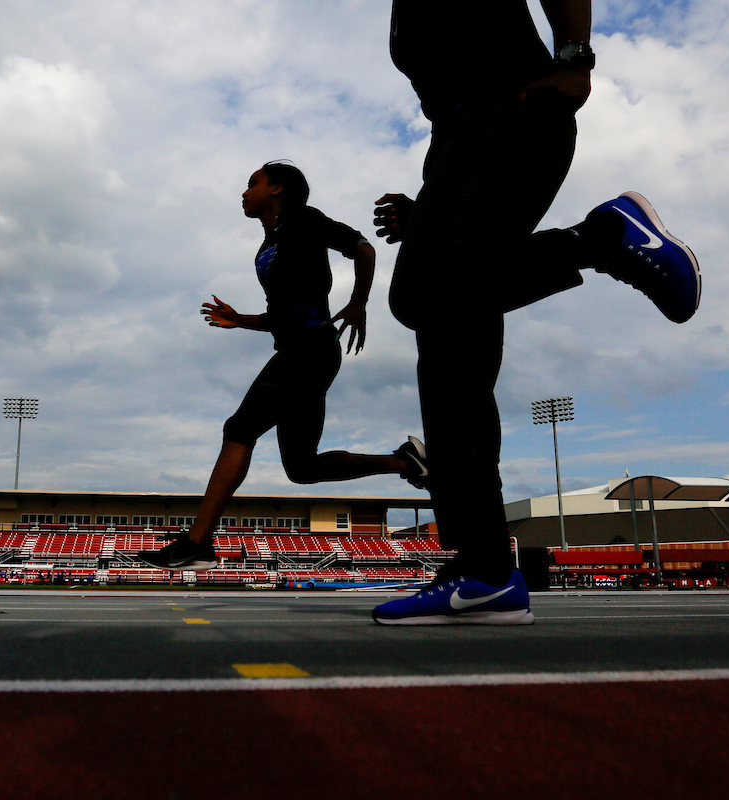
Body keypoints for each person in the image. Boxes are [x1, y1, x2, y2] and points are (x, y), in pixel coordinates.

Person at [370, 0, 700, 624]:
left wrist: (574, 55)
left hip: (509, 112)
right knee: (442, 321)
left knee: (431, 302)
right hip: (463, 139)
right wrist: (436, 214)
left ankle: (601, 239)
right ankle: (486, 568)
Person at [140, 161, 429, 571]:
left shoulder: (305, 220)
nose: (244, 191)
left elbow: (363, 246)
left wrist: (360, 300)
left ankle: (197, 542)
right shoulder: (268, 246)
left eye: (251, 183)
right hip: (302, 350)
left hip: (309, 351)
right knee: (302, 468)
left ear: (277, 189)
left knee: (239, 429)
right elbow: (280, 316)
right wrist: (241, 319)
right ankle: (406, 462)